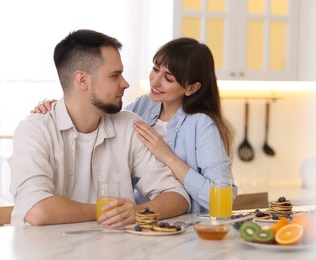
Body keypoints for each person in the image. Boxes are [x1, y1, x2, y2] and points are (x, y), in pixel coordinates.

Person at [32, 37, 237, 214]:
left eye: (168, 78)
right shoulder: (143, 105)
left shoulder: (202, 125)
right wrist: (57, 108)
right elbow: (97, 112)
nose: (155, 82)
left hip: (188, 229)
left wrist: (167, 156)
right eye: (155, 69)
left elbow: (224, 200)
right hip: (143, 224)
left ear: (191, 88)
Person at [9, 29, 190, 227]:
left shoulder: (129, 126)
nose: (125, 83)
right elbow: (38, 210)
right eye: (115, 75)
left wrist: (137, 212)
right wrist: (109, 211)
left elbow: (178, 197)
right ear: (82, 80)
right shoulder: (34, 130)